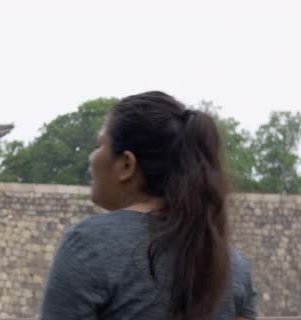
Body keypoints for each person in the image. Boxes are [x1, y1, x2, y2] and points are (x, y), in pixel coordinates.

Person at [40, 91, 258, 320]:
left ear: (126, 164)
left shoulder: (88, 245)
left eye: (99, 145)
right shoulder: (233, 265)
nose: (91, 157)